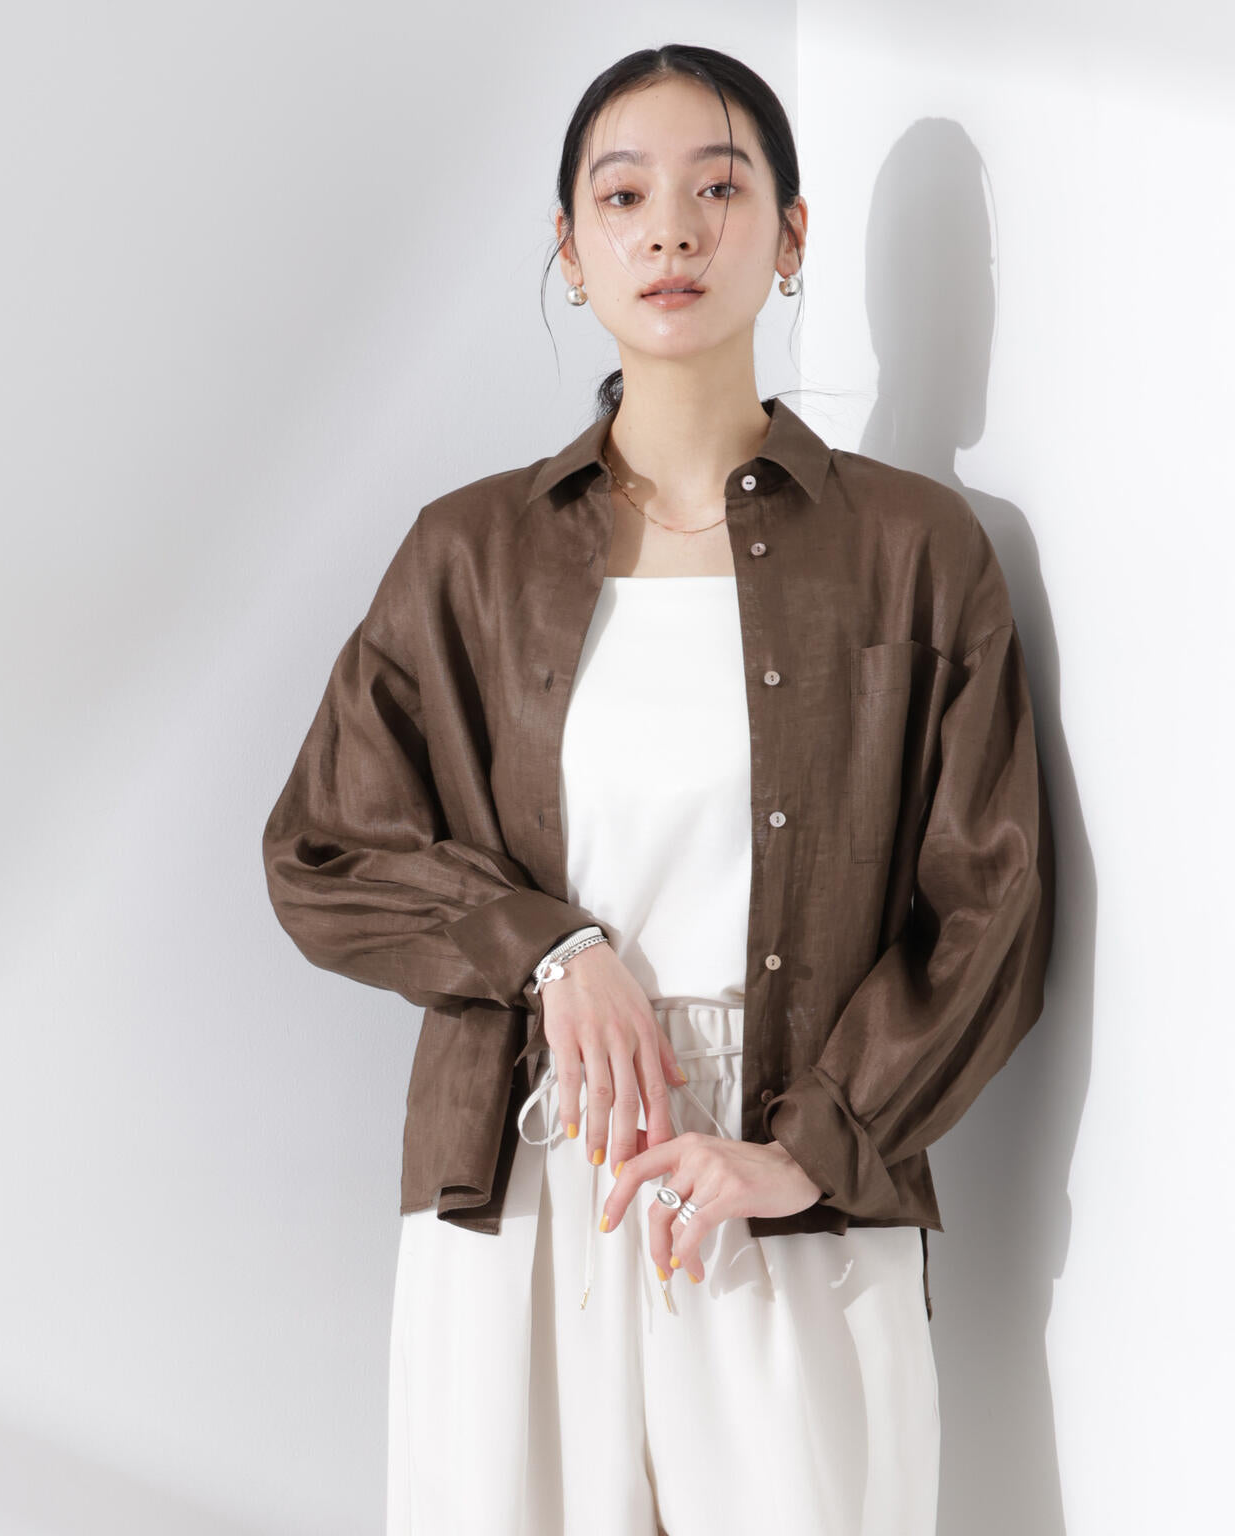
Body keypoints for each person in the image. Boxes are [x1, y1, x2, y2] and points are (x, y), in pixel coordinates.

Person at [261, 43, 1056, 1536]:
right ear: (571, 251)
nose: (672, 230)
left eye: (719, 188)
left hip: (792, 1182)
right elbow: (323, 848)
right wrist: (549, 951)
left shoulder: (915, 550)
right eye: (623, 197)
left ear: (790, 235)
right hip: (525, 1174)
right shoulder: (469, 554)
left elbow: (990, 906)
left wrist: (807, 1149)